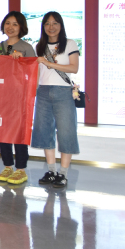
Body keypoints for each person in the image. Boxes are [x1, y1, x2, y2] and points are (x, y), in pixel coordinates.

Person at [32, 11, 80, 188]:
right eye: (47, 23)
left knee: (66, 132)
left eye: (55, 23)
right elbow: (38, 72)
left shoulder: (69, 43)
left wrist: (49, 63)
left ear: (61, 25)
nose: (51, 27)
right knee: (45, 131)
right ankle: (51, 171)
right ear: (43, 26)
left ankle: (63, 174)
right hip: (43, 91)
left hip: (64, 92)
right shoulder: (39, 46)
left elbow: (74, 68)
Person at [0, 11, 35, 185]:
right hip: (1, 95)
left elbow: (33, 72)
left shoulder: (26, 47)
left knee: (19, 132)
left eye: (15, 24)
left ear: (21, 28)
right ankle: (8, 166)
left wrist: (22, 60)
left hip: (20, 97)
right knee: (3, 132)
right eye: (8, 23)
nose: (10, 27)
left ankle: (21, 169)